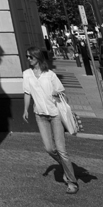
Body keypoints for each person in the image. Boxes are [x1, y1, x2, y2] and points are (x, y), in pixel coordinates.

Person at [23, 47, 79, 194]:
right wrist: (25, 109)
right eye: (27, 57)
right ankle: (66, 165)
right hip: (40, 115)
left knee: (61, 149)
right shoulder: (27, 74)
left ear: (38, 58)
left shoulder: (50, 75)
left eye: (31, 57)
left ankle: (71, 181)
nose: (28, 59)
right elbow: (27, 93)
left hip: (55, 115)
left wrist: (56, 93)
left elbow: (63, 93)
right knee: (49, 148)